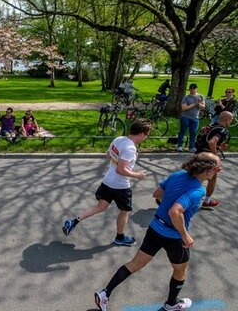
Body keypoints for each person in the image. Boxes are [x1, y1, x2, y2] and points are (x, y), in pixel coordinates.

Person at [94, 152, 222, 311]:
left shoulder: (178, 174)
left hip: (155, 228)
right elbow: (175, 212)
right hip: (174, 237)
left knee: (135, 264)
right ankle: (171, 304)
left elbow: (157, 194)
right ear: (209, 171)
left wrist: (169, 203)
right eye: (218, 169)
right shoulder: (198, 191)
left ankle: (104, 293)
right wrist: (185, 235)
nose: (218, 172)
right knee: (180, 270)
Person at [62, 118, 153, 246]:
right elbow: (121, 170)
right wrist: (138, 175)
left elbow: (108, 155)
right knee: (125, 211)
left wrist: (121, 160)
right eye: (147, 135)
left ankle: (73, 222)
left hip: (108, 182)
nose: (146, 138)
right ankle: (120, 237)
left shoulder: (119, 139)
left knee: (100, 206)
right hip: (120, 186)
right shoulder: (130, 148)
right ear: (141, 134)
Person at [194, 111, 233, 208]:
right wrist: (215, 157)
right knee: (212, 179)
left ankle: (170, 194)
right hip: (207, 157)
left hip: (198, 153)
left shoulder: (210, 126)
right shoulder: (222, 130)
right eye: (231, 120)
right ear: (226, 119)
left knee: (193, 177)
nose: (231, 122)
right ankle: (206, 202)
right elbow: (212, 142)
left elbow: (205, 140)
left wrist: (218, 146)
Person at [176, 83, 204, 153]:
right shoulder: (186, 97)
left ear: (196, 89)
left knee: (193, 132)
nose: (192, 90)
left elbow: (203, 107)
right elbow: (184, 108)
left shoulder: (200, 97)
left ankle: (191, 146)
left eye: (194, 88)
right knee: (182, 131)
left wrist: (199, 104)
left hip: (195, 118)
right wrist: (194, 104)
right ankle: (179, 146)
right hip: (185, 117)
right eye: (191, 88)